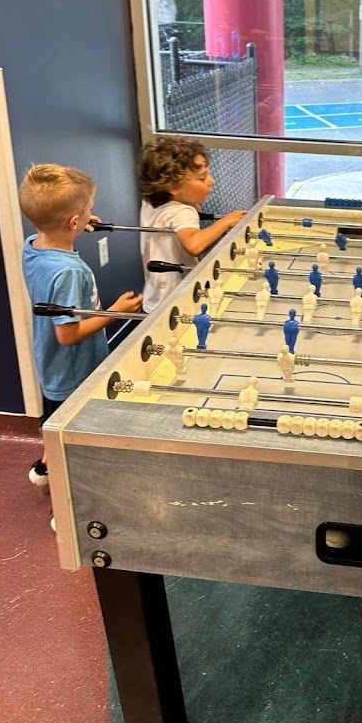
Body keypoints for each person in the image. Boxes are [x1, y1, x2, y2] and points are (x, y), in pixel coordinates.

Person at [19, 164, 143, 494]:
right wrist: (115, 313)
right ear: (73, 221)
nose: (91, 214)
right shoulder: (69, 273)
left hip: (51, 365)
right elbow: (67, 334)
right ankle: (64, 502)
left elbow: (54, 234)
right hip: (73, 370)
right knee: (71, 440)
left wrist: (77, 224)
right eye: (88, 209)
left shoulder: (32, 245)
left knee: (54, 423)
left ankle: (46, 464)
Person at [138, 137, 247, 314]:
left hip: (155, 296)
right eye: (202, 178)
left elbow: (168, 216)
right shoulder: (182, 212)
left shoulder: (151, 202)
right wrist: (226, 221)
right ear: (173, 187)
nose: (211, 180)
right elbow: (194, 244)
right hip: (178, 299)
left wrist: (187, 202)